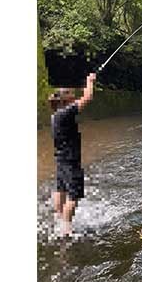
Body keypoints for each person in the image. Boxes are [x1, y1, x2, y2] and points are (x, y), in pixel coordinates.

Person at [48, 72, 96, 236]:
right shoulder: (66, 113)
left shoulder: (56, 115)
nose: (73, 94)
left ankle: (60, 218)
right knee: (74, 195)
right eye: (69, 93)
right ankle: (66, 228)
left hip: (61, 160)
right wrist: (90, 81)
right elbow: (87, 97)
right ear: (64, 99)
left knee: (61, 188)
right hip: (70, 161)